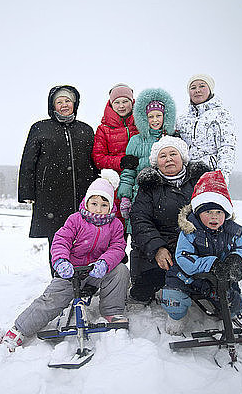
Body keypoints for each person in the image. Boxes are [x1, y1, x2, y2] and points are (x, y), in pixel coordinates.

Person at [2, 172, 129, 350]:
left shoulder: (115, 225)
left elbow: (117, 247)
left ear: (110, 206)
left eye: (104, 204)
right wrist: (61, 261)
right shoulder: (75, 220)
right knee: (51, 299)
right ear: (86, 202)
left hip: (96, 271)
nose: (98, 209)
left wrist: (104, 263)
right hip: (71, 271)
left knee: (121, 271)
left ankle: (112, 312)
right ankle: (20, 329)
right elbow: (61, 241)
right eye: (94, 203)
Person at [18, 85, 99, 276]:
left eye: (67, 101)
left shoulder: (85, 130)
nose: (64, 105)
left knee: (83, 238)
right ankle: (60, 280)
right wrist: (27, 192)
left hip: (82, 195)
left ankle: (83, 280)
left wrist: (99, 187)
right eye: (59, 101)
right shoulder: (40, 128)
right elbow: (28, 161)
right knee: (58, 240)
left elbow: (94, 161)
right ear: (52, 105)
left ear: (75, 104)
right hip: (50, 197)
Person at [160, 170, 242, 334]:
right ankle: (176, 316)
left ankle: (230, 311)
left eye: (219, 212)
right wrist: (212, 264)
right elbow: (184, 258)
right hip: (186, 277)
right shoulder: (189, 230)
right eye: (208, 212)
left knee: (232, 304)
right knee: (174, 300)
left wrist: (235, 260)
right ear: (198, 212)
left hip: (215, 279)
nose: (214, 217)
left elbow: (241, 249)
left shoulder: (231, 231)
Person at [128, 136, 211, 304]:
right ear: (156, 162)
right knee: (143, 291)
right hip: (162, 244)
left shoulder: (200, 182)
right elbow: (140, 220)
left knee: (207, 285)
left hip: (195, 244)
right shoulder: (149, 186)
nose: (168, 159)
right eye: (163, 156)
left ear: (182, 157)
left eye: (173, 154)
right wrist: (158, 248)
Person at [117, 88, 177, 230]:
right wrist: (125, 197)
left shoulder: (173, 139)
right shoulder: (136, 141)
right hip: (141, 196)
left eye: (158, 116)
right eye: (151, 116)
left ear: (165, 116)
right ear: (144, 118)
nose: (155, 120)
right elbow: (128, 172)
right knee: (142, 237)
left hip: (168, 198)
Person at [91, 83, 139, 235]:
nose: (121, 106)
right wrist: (121, 162)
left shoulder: (141, 124)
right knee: (117, 230)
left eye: (125, 101)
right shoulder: (103, 129)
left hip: (140, 181)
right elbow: (98, 158)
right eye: (117, 102)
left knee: (141, 223)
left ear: (132, 102)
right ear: (111, 104)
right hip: (116, 184)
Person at [176, 74, 236, 184]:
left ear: (210, 89)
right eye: (193, 88)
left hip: (210, 174)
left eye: (202, 86)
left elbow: (226, 147)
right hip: (186, 177)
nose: (197, 90)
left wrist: (222, 176)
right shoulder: (182, 119)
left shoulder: (221, 115)